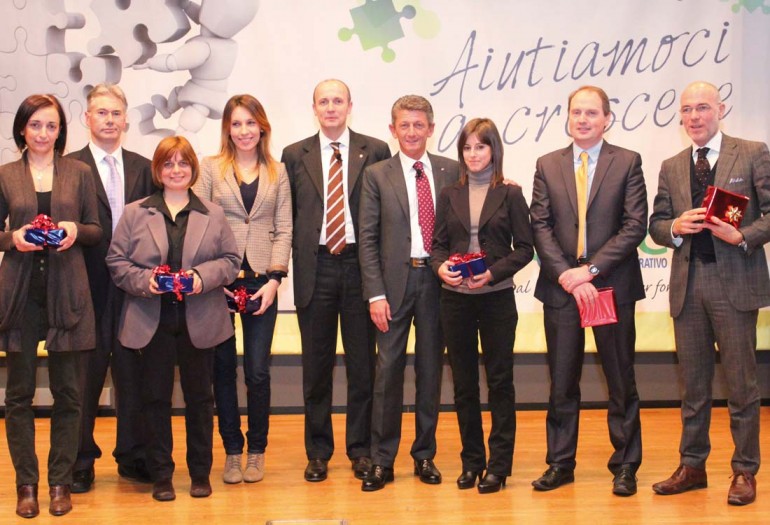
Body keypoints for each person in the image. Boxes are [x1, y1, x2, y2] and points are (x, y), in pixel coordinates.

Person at [649, 81, 770, 506]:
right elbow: (656, 224)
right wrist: (674, 228)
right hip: (688, 284)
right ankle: (692, 466)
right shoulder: (671, 165)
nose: (694, 116)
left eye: (702, 107)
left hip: (733, 283)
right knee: (694, 387)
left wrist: (743, 235)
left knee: (742, 385)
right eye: (687, 110)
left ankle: (744, 470)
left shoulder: (752, 152)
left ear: (721, 109)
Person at [106, 136, 240, 501]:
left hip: (201, 319)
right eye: (168, 163)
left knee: (200, 400)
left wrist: (201, 277)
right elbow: (116, 262)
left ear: (193, 168)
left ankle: (200, 473)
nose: (176, 170)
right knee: (154, 400)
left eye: (183, 163)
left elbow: (231, 261)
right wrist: (145, 281)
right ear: (158, 170)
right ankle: (161, 475)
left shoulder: (212, 213)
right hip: (152, 320)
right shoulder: (135, 212)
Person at [529, 86, 647, 496]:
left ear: (607, 119)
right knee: (562, 381)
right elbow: (540, 225)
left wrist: (590, 271)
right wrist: (567, 275)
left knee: (620, 379)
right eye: (576, 112)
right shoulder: (548, 164)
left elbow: (635, 225)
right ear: (567, 117)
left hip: (610, 284)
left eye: (592, 113)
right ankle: (560, 463)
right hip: (562, 289)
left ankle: (626, 465)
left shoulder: (627, 161)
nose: (583, 119)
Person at [281, 79, 391, 482]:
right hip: (317, 268)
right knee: (316, 368)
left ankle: (360, 450)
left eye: (337, 101)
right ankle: (318, 451)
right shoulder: (294, 154)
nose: (331, 107)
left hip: (361, 267)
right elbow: (289, 215)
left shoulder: (375, 150)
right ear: (314, 108)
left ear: (349, 106)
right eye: (323, 101)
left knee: (363, 367)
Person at [0, 94, 102, 518]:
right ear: (22, 129)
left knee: (69, 395)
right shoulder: (6, 175)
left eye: (52, 125)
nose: (43, 133)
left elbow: (96, 230)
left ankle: (60, 482)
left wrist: (75, 230)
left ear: (61, 131)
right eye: (36, 125)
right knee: (18, 395)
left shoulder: (79, 173)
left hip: (67, 293)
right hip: (19, 296)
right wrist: (12, 239)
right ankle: (27, 485)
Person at [358, 95, 459, 491]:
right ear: (393, 129)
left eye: (419, 125)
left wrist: (505, 184)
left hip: (437, 283)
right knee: (387, 373)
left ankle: (424, 455)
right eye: (405, 125)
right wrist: (375, 294)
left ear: (431, 129)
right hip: (392, 287)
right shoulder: (376, 175)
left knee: (431, 371)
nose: (412, 132)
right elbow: (368, 239)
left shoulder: (451, 170)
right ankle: (382, 460)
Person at [431, 118, 534, 494]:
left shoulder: (510, 193)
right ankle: (472, 462)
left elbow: (525, 249)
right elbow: (438, 246)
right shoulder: (449, 193)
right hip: (455, 300)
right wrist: (440, 268)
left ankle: (499, 466)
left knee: (500, 382)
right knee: (463, 386)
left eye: (481, 146)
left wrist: (491, 273)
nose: (473, 154)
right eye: (467, 147)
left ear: (494, 150)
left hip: (496, 299)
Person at [193, 94, 292, 484]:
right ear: (227, 129)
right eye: (236, 123)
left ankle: (256, 451)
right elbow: (199, 225)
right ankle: (232, 451)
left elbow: (284, 228)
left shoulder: (278, 171)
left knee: (257, 372)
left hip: (261, 283)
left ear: (262, 127)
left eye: (251, 123)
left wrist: (274, 280)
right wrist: (211, 278)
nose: (244, 131)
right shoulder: (210, 168)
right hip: (220, 280)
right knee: (222, 369)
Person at [68, 83, 155, 493]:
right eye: (101, 113)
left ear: (126, 120)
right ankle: (80, 460)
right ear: (87, 118)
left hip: (134, 289)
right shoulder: (69, 168)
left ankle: (133, 456)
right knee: (84, 378)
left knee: (133, 375)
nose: (109, 120)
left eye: (115, 113)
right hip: (84, 288)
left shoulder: (145, 168)